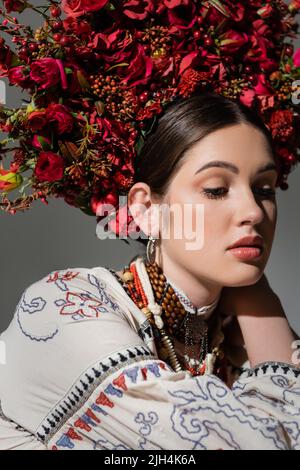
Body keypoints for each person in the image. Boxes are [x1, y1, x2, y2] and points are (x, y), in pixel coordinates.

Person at [0, 93, 300, 450]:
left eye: (264, 190)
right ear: (146, 210)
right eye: (217, 189)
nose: (253, 211)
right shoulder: (64, 307)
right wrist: (262, 302)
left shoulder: (230, 340)